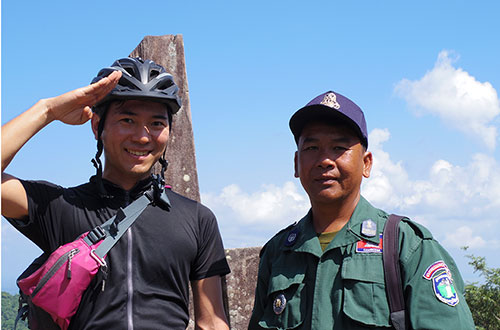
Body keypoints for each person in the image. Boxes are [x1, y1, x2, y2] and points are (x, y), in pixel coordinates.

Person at [2, 57, 230, 330]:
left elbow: (213, 322)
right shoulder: (60, 206)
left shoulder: (197, 219)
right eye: (127, 119)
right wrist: (47, 110)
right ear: (98, 127)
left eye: (157, 124)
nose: (143, 137)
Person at [248, 91, 476, 329]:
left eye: (338, 147)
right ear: (296, 164)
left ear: (366, 163)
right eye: (312, 147)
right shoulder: (278, 252)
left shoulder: (406, 246)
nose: (324, 160)